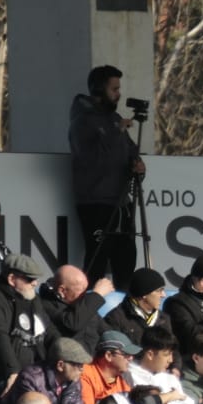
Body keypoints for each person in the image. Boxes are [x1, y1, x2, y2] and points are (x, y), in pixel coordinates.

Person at [69, 66, 142, 281]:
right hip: (95, 202)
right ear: (99, 89)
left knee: (127, 258)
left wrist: (138, 166)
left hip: (120, 202)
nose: (118, 94)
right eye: (114, 89)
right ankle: (88, 307)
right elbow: (89, 159)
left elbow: (129, 151)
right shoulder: (82, 121)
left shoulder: (113, 119)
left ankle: (124, 307)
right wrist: (115, 131)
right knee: (97, 258)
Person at [0, 254, 51, 395]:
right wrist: (12, 372)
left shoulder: (31, 296)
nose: (35, 283)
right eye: (30, 279)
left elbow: (47, 328)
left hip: (34, 368)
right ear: (12, 279)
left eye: (36, 279)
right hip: (0, 372)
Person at [103, 266, 171, 351]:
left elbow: (173, 352)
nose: (163, 295)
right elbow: (115, 355)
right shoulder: (116, 318)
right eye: (159, 291)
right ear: (144, 294)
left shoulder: (164, 318)